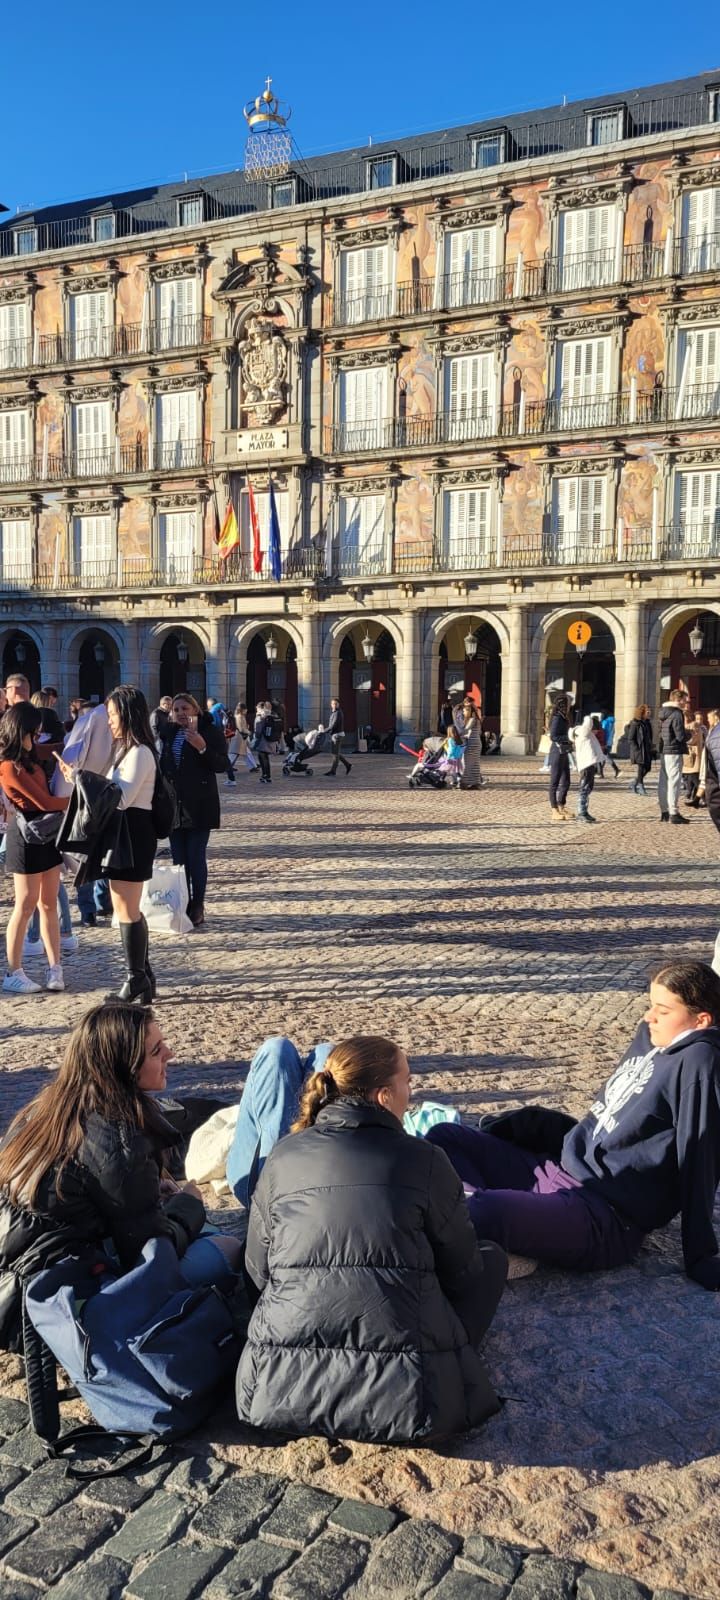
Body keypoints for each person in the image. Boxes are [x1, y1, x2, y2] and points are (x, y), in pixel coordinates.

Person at [235, 1034, 506, 1443]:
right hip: (412, 1401)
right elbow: (463, 1272)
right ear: (384, 1096)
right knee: (492, 1259)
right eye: (407, 1082)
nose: (411, 1094)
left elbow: (257, 1272)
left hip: (276, 1388)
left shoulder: (283, 1155)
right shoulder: (426, 1159)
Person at [427, 960, 720, 1289]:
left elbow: (701, 1156)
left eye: (663, 1011)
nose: (649, 1016)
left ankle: (488, 1221)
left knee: (484, 1210)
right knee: (443, 1138)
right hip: (557, 1172)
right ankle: (498, 1228)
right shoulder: (652, 1035)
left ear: (701, 1020)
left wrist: (701, 1257)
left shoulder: (700, 1061)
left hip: (603, 1216)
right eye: (650, 1004)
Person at [0, 1001, 242, 1353]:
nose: (170, 1054)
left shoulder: (43, 1110)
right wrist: (188, 1207)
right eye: (156, 1051)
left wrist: (148, 1193)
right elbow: (146, 1253)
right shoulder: (118, 1135)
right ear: (123, 1067)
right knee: (227, 1247)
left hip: (20, 1278)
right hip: (52, 1311)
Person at [60, 686, 157, 1004]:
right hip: (124, 834)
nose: (110, 721)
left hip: (133, 835)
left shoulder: (139, 752)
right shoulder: (126, 751)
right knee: (127, 907)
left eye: (113, 715)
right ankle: (143, 974)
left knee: (126, 909)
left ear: (127, 715)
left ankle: (135, 978)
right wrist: (79, 778)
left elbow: (121, 797)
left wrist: (80, 777)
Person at [0, 703, 69, 994]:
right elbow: (45, 802)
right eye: (35, 731)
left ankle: (55, 968)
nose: (39, 735)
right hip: (26, 835)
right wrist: (79, 800)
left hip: (46, 832)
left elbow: (56, 748)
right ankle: (13, 971)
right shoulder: (8, 766)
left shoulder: (29, 755)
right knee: (26, 904)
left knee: (49, 903)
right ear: (23, 731)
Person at [157, 694, 227, 928]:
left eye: (185, 708)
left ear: (195, 709)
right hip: (174, 806)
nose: (180, 713)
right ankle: (182, 902)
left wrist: (202, 747)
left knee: (195, 856)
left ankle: (198, 905)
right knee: (179, 859)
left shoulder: (209, 731)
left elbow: (221, 764)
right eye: (176, 709)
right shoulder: (168, 733)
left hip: (199, 805)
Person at [54, 700, 115, 926]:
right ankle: (98, 903)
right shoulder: (102, 725)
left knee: (86, 853)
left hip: (82, 797)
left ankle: (90, 908)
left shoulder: (89, 724)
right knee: (97, 852)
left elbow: (72, 758)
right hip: (99, 796)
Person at [658, 688, 689, 824]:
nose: (686, 703)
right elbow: (680, 735)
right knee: (674, 782)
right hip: (674, 750)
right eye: (685, 700)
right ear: (678, 699)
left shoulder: (663, 712)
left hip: (664, 750)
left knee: (663, 782)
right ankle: (674, 812)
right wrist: (690, 733)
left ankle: (664, 811)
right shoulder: (677, 713)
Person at [569, 714, 604, 823]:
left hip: (589, 764)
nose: (597, 732)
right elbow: (588, 721)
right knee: (584, 788)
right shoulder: (584, 732)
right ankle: (581, 812)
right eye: (596, 729)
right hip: (586, 765)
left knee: (588, 788)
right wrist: (590, 718)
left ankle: (585, 811)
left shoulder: (588, 734)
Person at [548, 693, 572, 820]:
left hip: (564, 751)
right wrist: (569, 737)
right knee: (555, 782)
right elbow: (553, 736)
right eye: (568, 703)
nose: (570, 705)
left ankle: (561, 805)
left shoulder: (564, 717)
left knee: (566, 780)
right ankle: (554, 810)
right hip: (557, 751)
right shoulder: (557, 717)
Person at [207, 696, 235, 787]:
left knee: (210, 755)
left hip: (216, 737)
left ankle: (231, 778)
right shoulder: (223, 709)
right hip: (225, 735)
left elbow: (213, 725)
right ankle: (231, 777)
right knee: (224, 756)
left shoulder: (213, 711)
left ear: (210, 704)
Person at [627, 704, 653, 795]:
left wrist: (652, 747)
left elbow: (650, 736)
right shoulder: (635, 723)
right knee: (641, 768)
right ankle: (641, 786)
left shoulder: (648, 723)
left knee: (648, 768)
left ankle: (634, 783)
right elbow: (631, 739)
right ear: (642, 713)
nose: (649, 713)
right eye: (647, 712)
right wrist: (636, 749)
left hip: (647, 749)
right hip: (639, 750)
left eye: (649, 711)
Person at [459, 697, 483, 789]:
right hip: (475, 742)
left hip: (472, 743)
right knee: (474, 764)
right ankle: (475, 783)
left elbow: (465, 730)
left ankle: (464, 782)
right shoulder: (476, 719)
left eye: (464, 711)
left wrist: (455, 734)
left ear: (469, 711)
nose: (463, 713)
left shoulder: (472, 719)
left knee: (467, 763)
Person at [682, 713, 704, 808]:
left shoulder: (693, 725)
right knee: (693, 779)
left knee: (695, 779)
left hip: (694, 757)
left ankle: (706, 799)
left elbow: (692, 740)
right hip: (690, 757)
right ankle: (695, 799)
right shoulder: (687, 726)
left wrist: (681, 740)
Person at [325, 697, 352, 777]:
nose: (334, 705)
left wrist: (324, 731)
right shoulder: (334, 712)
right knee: (335, 753)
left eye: (336, 704)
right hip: (335, 735)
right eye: (333, 704)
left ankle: (333, 771)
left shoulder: (338, 713)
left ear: (338, 704)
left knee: (335, 754)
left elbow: (333, 725)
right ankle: (347, 765)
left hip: (337, 735)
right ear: (331, 705)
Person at [228, 701, 258, 773]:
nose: (246, 710)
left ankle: (252, 766)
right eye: (245, 709)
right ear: (242, 709)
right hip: (239, 737)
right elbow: (241, 728)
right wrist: (248, 732)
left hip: (240, 737)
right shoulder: (239, 717)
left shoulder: (240, 716)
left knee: (243, 753)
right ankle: (227, 766)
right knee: (235, 753)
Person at [253, 700, 276, 786]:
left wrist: (256, 738)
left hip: (262, 740)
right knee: (265, 757)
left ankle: (265, 775)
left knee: (263, 758)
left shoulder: (260, 716)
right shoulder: (271, 715)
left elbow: (258, 730)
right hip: (270, 739)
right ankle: (267, 775)